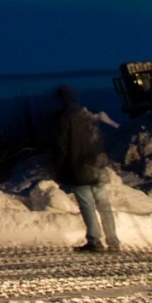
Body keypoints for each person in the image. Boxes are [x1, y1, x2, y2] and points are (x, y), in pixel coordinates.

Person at [47, 85, 121, 251]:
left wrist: (57, 169)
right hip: (96, 166)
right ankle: (113, 241)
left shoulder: (65, 118)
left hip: (78, 167)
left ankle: (95, 241)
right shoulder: (87, 116)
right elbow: (99, 140)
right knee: (104, 205)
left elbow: (61, 146)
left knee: (87, 205)